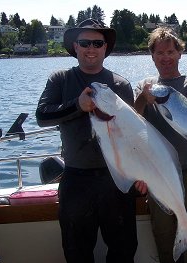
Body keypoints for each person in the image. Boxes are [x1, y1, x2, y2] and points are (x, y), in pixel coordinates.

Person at [36, 18, 146, 263]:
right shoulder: (60, 80)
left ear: (105, 48)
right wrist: (78, 105)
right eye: (85, 42)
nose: (91, 48)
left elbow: (134, 135)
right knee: (76, 252)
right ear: (75, 47)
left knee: (124, 250)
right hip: (76, 179)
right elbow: (42, 116)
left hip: (116, 180)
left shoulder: (121, 85)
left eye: (97, 42)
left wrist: (141, 173)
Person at [134, 27, 187, 263]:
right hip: (158, 174)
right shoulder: (143, 88)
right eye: (160, 53)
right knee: (165, 240)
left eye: (171, 51)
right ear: (152, 56)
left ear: (180, 53)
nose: (166, 57)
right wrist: (142, 99)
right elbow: (131, 122)